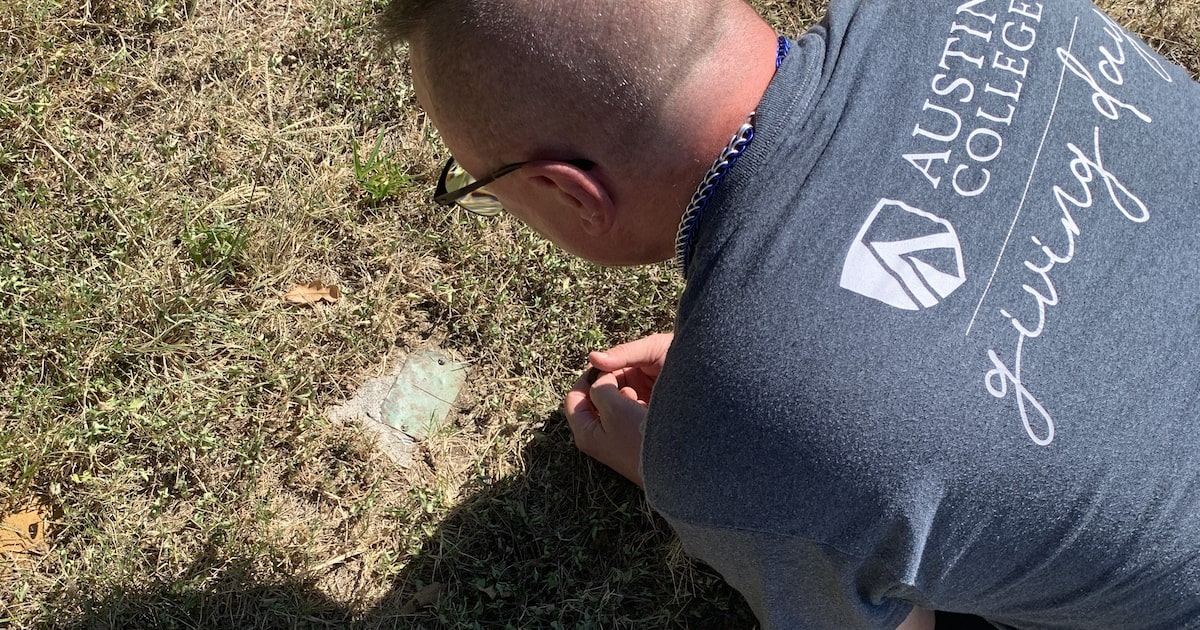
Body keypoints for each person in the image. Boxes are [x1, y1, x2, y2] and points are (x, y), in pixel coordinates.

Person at [380, 0, 1200, 627]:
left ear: (568, 191)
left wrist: (703, 466)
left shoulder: (725, 447)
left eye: (476, 179)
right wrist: (763, 376)